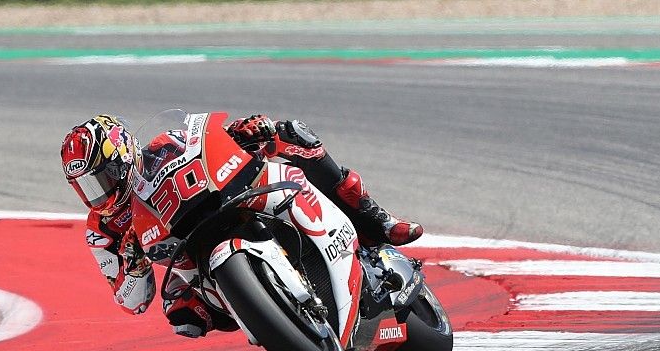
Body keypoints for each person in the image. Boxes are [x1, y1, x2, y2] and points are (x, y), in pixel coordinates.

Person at [60, 113, 422, 338]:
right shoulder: (100, 231)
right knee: (182, 313)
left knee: (291, 133)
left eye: (102, 179)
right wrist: (134, 263)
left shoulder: (163, 145)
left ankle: (377, 220)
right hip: (188, 254)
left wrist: (242, 131)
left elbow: (208, 144)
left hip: (223, 201)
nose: (98, 194)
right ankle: (267, 311)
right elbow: (132, 303)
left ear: (122, 155)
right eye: (86, 187)